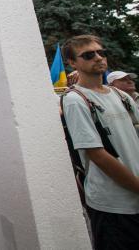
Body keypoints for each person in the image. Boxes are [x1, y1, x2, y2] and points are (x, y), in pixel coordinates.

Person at [61, 35, 139, 249]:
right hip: (112, 205)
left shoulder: (121, 96)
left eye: (101, 52)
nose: (98, 57)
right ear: (73, 63)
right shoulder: (76, 99)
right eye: (88, 55)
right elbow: (97, 154)